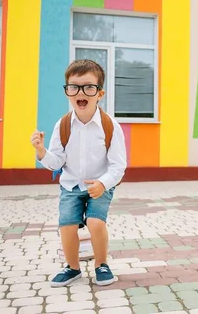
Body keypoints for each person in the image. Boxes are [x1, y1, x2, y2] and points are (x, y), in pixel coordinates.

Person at [30, 59, 127, 287]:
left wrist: (103, 183)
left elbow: (118, 166)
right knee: (67, 225)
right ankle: (72, 268)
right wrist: (41, 151)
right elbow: (56, 162)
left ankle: (101, 264)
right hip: (70, 186)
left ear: (100, 93)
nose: (81, 92)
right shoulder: (62, 125)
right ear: (67, 92)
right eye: (74, 87)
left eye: (88, 87)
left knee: (95, 222)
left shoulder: (110, 125)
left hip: (99, 185)